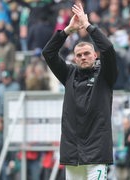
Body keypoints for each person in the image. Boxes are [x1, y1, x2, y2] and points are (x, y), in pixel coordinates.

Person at [42, 3, 118, 180]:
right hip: (73, 151)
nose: (83, 57)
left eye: (86, 53)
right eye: (79, 55)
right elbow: (48, 53)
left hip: (97, 151)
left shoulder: (106, 75)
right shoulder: (69, 74)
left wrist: (88, 26)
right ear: (74, 58)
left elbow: (108, 48)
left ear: (94, 55)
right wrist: (67, 30)